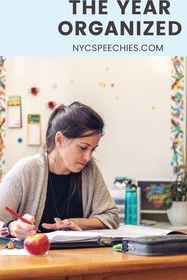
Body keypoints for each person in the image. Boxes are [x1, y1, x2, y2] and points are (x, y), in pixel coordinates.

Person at [0, 102, 119, 239]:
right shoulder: (27, 170)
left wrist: (75, 222)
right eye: (82, 147)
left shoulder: (90, 170)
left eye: (93, 149)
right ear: (60, 139)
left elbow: (112, 216)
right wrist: (11, 228)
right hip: (34, 258)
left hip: (81, 258)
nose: (88, 157)